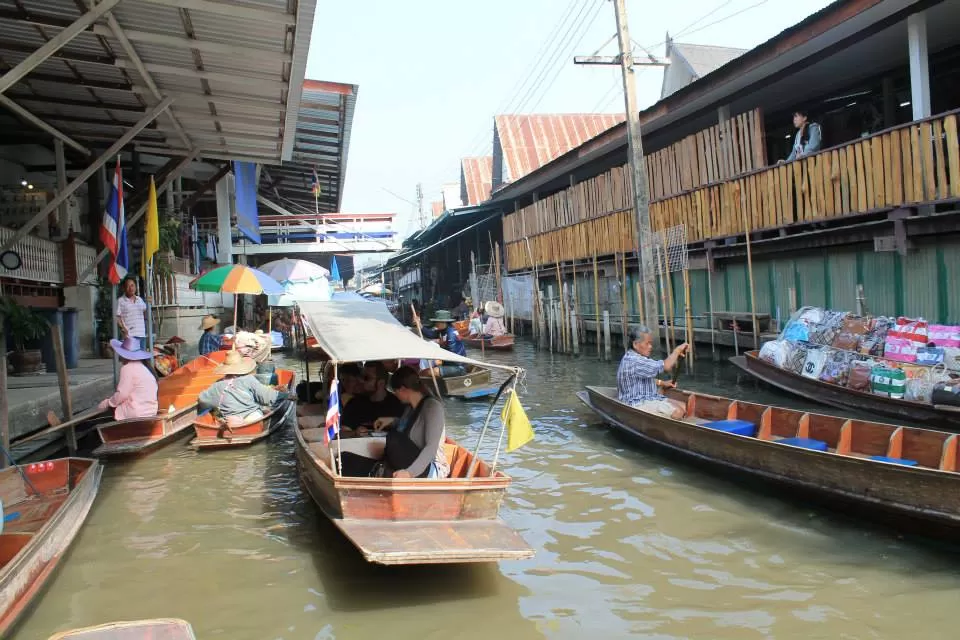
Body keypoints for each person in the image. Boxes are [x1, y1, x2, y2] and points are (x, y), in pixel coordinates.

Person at [373, 366, 450, 479]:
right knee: (392, 438)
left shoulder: (433, 407)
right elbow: (410, 426)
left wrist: (409, 473)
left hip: (431, 467)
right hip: (410, 460)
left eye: (396, 391)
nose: (395, 395)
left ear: (403, 389)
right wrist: (391, 421)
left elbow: (431, 447)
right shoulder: (409, 408)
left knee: (394, 439)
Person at [199, 351, 290, 428]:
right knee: (264, 411)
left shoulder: (217, 385)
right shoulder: (248, 379)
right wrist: (286, 395)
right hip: (251, 417)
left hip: (230, 419)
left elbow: (203, 400)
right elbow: (266, 397)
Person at [617, 326, 689, 419]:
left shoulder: (636, 356)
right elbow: (666, 366)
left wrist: (662, 383)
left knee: (683, 406)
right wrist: (677, 351)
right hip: (636, 402)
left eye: (651, 343)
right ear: (635, 344)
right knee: (678, 412)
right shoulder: (635, 360)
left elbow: (643, 378)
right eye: (647, 344)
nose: (650, 347)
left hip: (649, 397)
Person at [98, 337, 158, 420]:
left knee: (101, 416)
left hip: (136, 413)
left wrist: (108, 403)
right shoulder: (144, 367)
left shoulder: (127, 368)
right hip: (151, 411)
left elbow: (122, 394)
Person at [341, 361, 406, 433]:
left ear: (381, 383)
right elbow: (344, 432)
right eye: (362, 377)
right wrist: (355, 432)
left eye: (367, 378)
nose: (361, 381)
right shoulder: (354, 404)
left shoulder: (397, 405)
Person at [116, 276, 148, 350]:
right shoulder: (120, 300)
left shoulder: (139, 299)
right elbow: (117, 317)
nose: (131, 288)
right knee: (131, 359)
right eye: (128, 286)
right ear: (124, 288)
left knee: (141, 359)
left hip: (141, 334)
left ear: (135, 287)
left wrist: (149, 302)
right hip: (130, 335)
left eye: (132, 285)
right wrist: (123, 329)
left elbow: (144, 312)